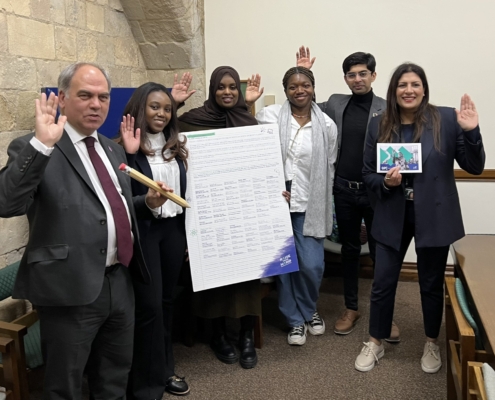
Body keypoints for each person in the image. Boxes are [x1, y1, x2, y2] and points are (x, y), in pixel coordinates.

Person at [0, 62, 171, 399]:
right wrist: (40, 145)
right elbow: (7, 204)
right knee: (66, 385)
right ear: (62, 99)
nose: (96, 104)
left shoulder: (111, 148)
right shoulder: (36, 146)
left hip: (119, 281)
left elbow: (110, 210)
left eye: (103, 97)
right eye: (85, 95)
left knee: (113, 376)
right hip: (68, 287)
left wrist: (147, 203)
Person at [354, 63, 485, 373]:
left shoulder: (448, 119)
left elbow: (475, 166)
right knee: (383, 282)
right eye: (402, 85)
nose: (408, 90)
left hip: (434, 214)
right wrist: (387, 182)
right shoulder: (379, 124)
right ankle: (375, 341)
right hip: (391, 213)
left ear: (424, 89)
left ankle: (430, 342)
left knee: (429, 283)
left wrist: (472, 131)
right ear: (393, 90)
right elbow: (367, 174)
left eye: (415, 84)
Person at [296, 46, 400, 340]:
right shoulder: (336, 104)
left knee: (382, 252)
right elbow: (306, 102)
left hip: (376, 191)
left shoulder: (387, 107)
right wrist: (304, 71)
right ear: (345, 79)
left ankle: (386, 314)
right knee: (350, 250)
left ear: (373, 75)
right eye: (351, 75)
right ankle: (351, 308)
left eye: (362, 74)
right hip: (342, 190)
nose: (357, 79)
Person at [178, 66, 262, 368]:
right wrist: (174, 103)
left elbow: (262, 163)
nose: (227, 92)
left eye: (232, 87)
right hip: (208, 211)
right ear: (213, 90)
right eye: (220, 87)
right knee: (214, 275)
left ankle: (247, 336)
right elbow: (160, 128)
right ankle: (218, 335)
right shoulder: (192, 121)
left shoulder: (248, 120)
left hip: (244, 211)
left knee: (248, 275)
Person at [255, 66, 338, 345]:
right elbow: (248, 147)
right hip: (275, 198)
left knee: (312, 264)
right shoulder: (269, 115)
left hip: (308, 200)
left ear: (313, 87)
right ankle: (295, 321)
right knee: (285, 262)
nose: (299, 90)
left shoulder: (326, 125)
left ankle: (309, 309)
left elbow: (330, 167)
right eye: (292, 86)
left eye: (305, 85)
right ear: (286, 90)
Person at [120, 82, 191, 398]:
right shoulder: (124, 146)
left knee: (165, 303)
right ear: (139, 108)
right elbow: (120, 196)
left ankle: (164, 369)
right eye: (154, 107)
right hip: (145, 232)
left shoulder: (175, 144)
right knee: (148, 307)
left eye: (166, 108)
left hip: (173, 231)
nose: (161, 113)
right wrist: (131, 154)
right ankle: (145, 384)